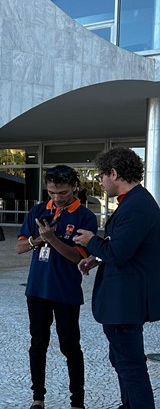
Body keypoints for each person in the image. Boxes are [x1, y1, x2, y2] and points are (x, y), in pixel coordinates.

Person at [73, 147, 160, 409]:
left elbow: (119, 253)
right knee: (122, 360)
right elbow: (124, 247)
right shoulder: (135, 201)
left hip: (125, 302)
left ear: (114, 173)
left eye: (101, 175)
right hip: (124, 301)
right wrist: (96, 257)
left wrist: (91, 242)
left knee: (131, 365)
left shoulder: (136, 205)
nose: (99, 181)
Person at [16, 165, 97, 409]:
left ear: (74, 187)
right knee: (38, 343)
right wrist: (40, 238)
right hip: (37, 289)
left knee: (70, 346)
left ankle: (77, 402)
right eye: (51, 192)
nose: (56, 198)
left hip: (66, 292)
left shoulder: (85, 217)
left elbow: (76, 257)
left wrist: (52, 239)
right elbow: (20, 247)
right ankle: (38, 398)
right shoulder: (39, 211)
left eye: (61, 192)